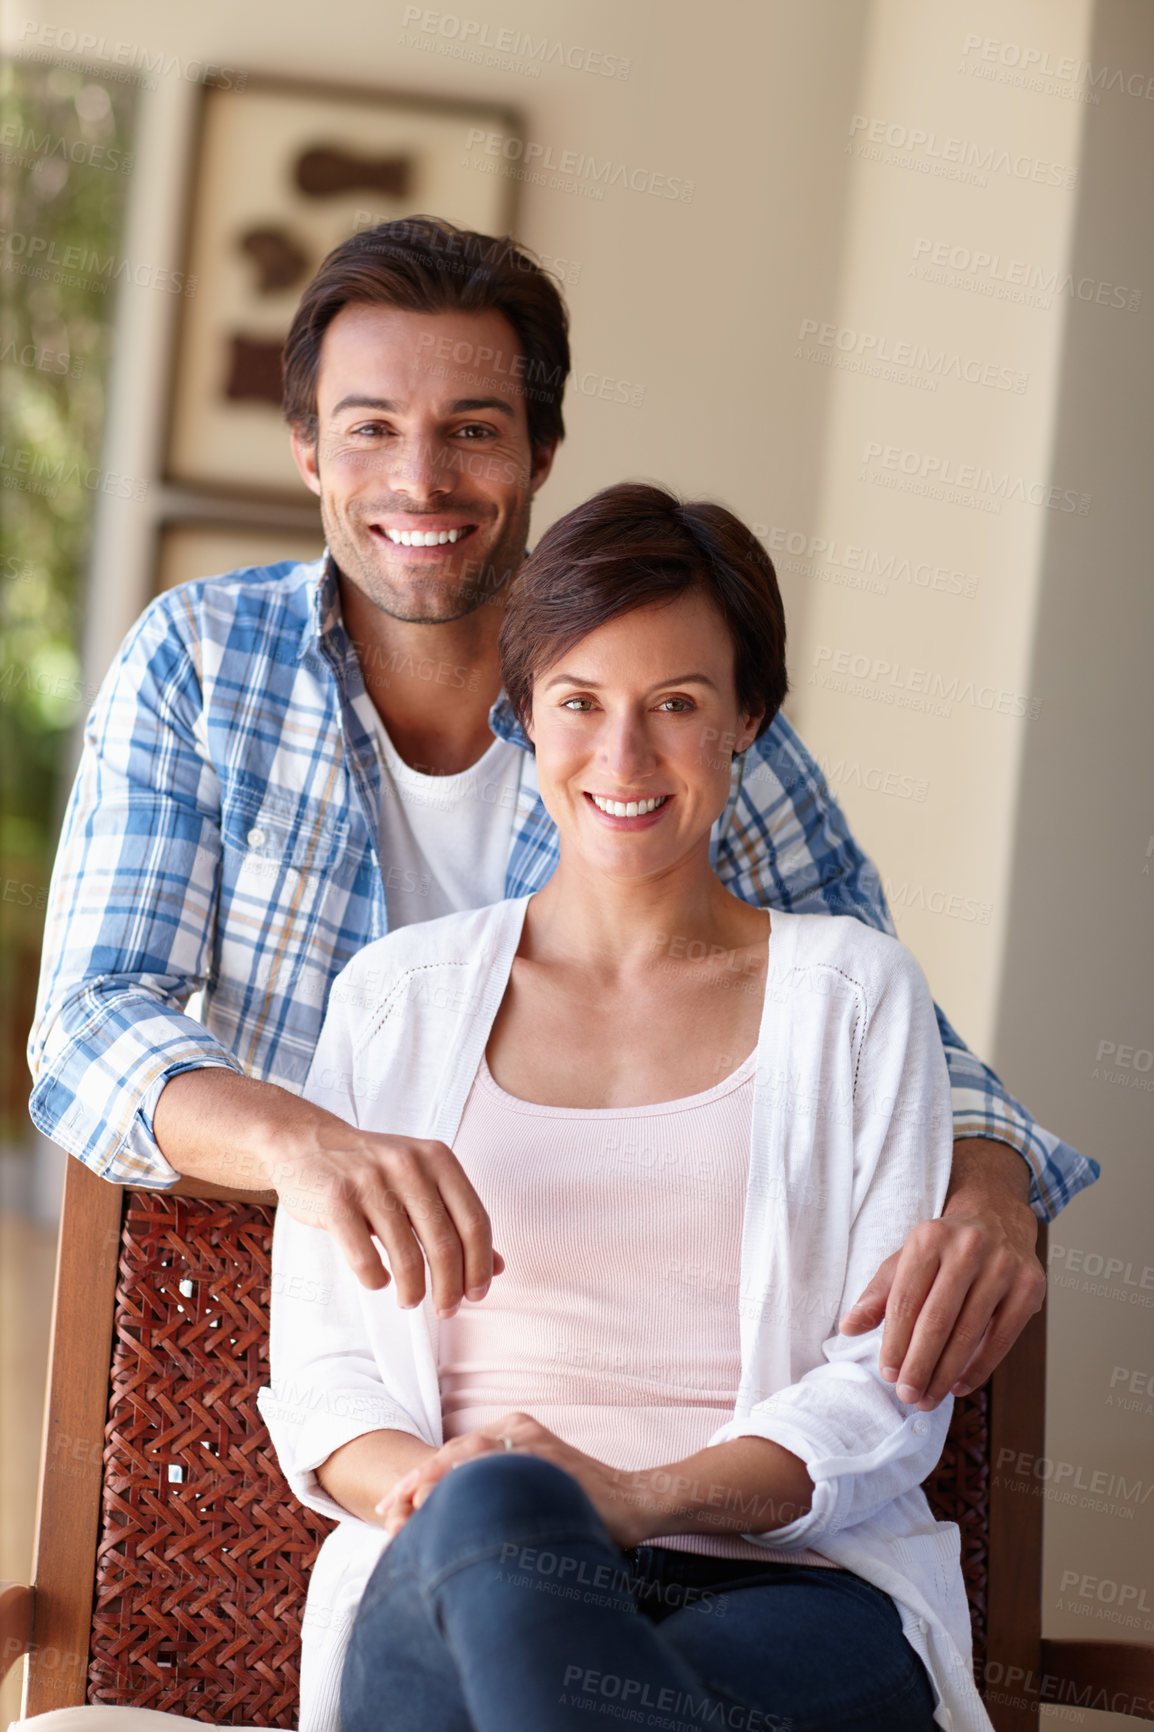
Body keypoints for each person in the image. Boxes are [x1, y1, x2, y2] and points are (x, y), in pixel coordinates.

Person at [29, 216, 1095, 1415]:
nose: (420, 480)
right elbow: (85, 1025)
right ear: (306, 451)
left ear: (540, 453)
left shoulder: (676, 716)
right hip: (281, 1352)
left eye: (471, 431)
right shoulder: (202, 660)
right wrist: (306, 1146)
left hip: (625, 1367)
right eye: (370, 428)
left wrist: (994, 1186)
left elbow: (887, 1025)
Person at [262, 482, 993, 1732]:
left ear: (745, 723)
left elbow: (883, 1390)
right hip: (461, 1558)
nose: (623, 759)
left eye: (675, 706)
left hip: (789, 1582)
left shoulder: (853, 997)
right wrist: (481, 1492)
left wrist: (636, 1495)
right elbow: (326, 1381)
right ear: (523, 722)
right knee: (505, 1532)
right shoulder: (394, 1003)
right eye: (579, 705)